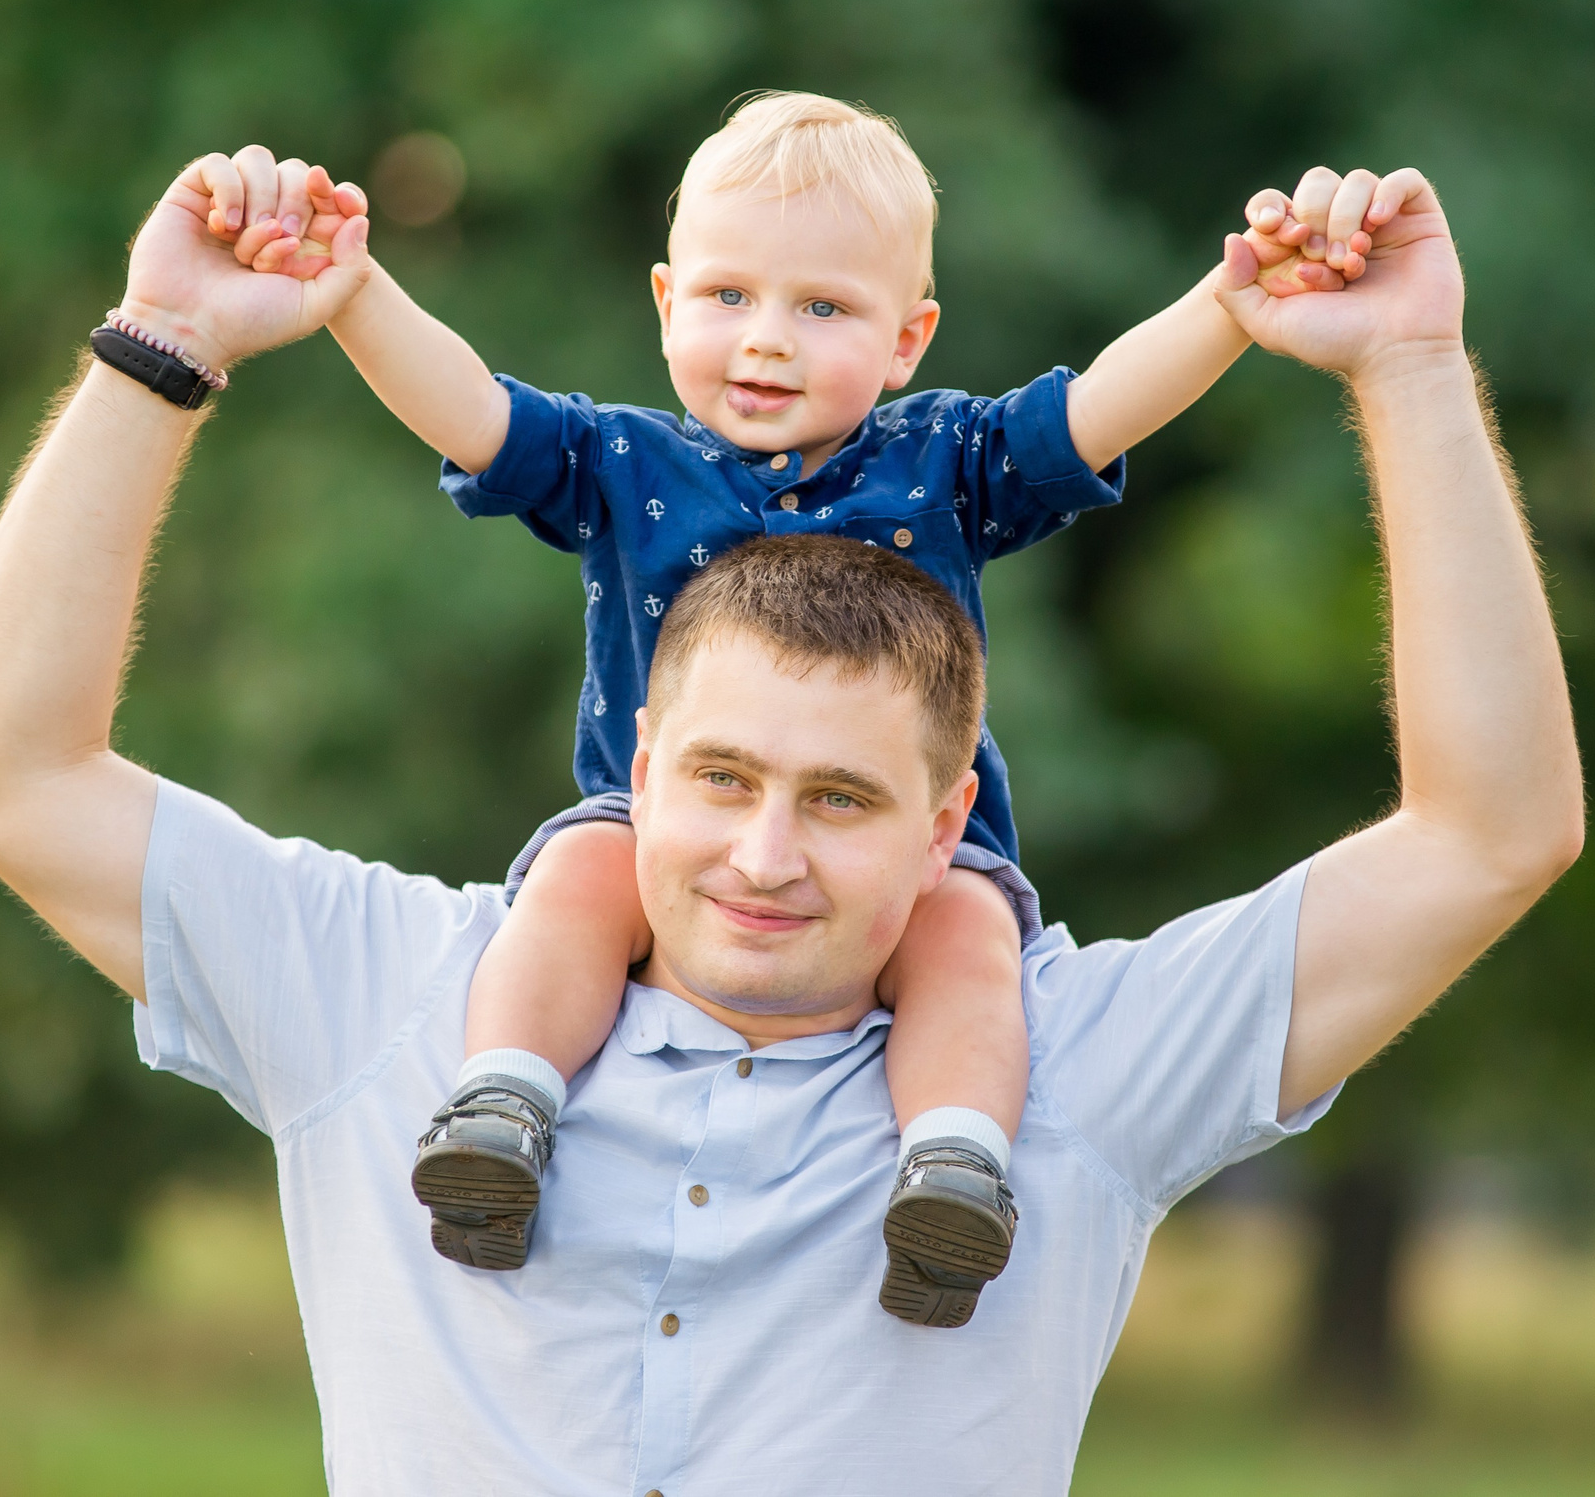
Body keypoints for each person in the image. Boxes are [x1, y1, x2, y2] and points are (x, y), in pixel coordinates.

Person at [0, 149, 1582, 1494]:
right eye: (721, 779)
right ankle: (516, 1102)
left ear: (946, 829)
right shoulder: (388, 999)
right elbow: (5, 768)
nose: (765, 853)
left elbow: (1489, 833)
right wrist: (163, 343)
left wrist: (1412, 367)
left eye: (843, 798)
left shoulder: (1070, 1068)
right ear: (637, 768)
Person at [238, 92, 1308, 1322]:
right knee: (574, 880)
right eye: (728, 296)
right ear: (665, 301)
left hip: (897, 852)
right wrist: (353, 292)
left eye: (824, 308)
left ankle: (952, 1169)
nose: (767, 340)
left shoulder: (942, 465)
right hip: (657, 834)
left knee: (967, 938)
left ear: (907, 338)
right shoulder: (627, 463)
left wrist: (1228, 307)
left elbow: (1093, 409)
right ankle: (502, 1103)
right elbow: (475, 414)